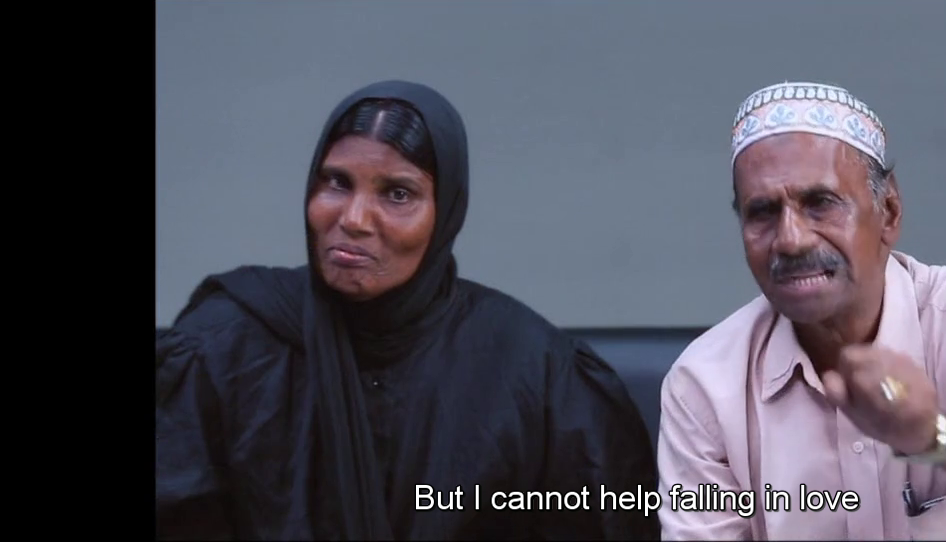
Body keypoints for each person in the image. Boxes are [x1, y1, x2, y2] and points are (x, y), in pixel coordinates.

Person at [155, 80, 660, 540]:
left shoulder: (535, 373)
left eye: (397, 194)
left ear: (446, 213)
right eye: (336, 183)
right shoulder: (223, 348)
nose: (354, 219)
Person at [655, 81, 946, 540]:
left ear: (889, 211)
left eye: (820, 204)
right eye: (762, 212)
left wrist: (937, 438)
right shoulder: (704, 384)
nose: (791, 240)